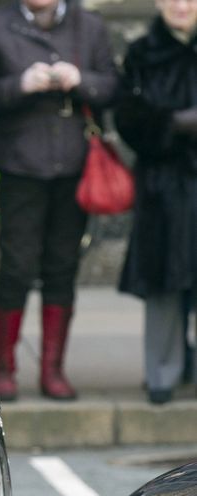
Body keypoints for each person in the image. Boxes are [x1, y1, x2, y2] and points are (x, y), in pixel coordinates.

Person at [0, 0, 118, 401]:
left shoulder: (89, 25)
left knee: (63, 266)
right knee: (16, 266)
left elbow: (112, 87)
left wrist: (81, 79)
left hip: (76, 165)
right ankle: (3, 367)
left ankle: (53, 369)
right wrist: (20, 84)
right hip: (20, 164)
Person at [115, 0, 197, 404]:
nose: (181, 6)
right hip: (163, 186)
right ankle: (161, 372)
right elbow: (128, 116)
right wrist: (175, 124)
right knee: (165, 280)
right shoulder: (142, 53)